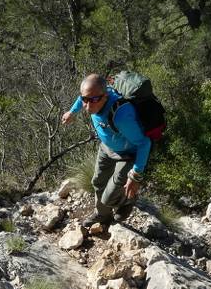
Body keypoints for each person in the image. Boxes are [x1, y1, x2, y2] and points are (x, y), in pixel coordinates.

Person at [62, 73, 151, 227]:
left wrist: (135, 175)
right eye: (85, 100)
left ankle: (128, 201)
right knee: (97, 182)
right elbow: (83, 98)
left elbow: (144, 143)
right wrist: (72, 111)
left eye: (94, 100)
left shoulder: (121, 115)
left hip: (128, 154)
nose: (88, 106)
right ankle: (103, 215)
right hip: (107, 147)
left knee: (109, 197)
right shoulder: (90, 97)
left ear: (105, 96)